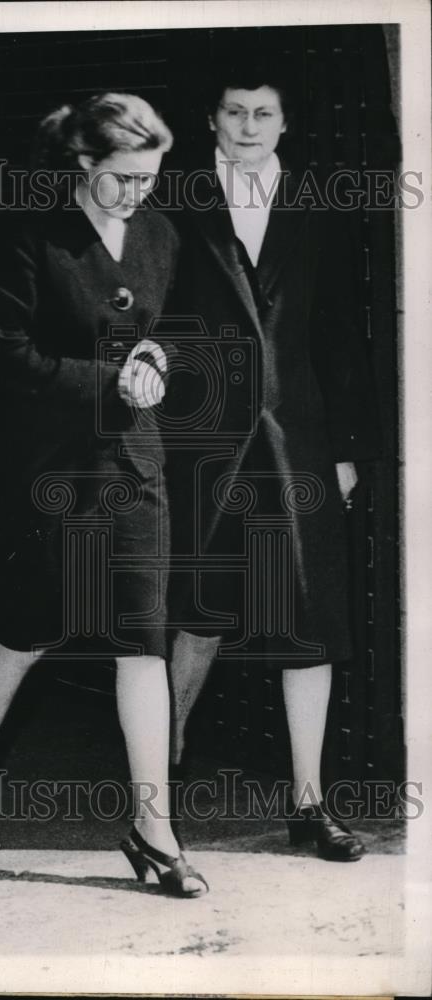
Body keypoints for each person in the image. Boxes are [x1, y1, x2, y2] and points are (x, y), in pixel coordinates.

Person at [0, 93, 208, 898]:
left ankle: (152, 826)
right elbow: (6, 355)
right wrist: (109, 381)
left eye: (150, 178)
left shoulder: (161, 235)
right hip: (52, 470)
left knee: (142, 639)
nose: (139, 192)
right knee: (33, 632)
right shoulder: (29, 238)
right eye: (124, 177)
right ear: (82, 166)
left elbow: (173, 329)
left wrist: (158, 362)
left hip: (134, 467)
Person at [164, 63, 379, 861]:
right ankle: (164, 775)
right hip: (202, 440)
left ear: (285, 124)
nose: (248, 127)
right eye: (233, 112)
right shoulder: (175, 195)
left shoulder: (319, 203)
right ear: (211, 119)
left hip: (300, 443)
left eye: (263, 114)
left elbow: (338, 334)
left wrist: (350, 449)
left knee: (309, 624)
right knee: (197, 612)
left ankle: (310, 803)